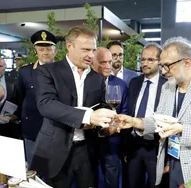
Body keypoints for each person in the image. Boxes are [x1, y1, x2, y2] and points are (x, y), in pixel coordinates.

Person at [116, 37, 191, 188]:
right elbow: (159, 120)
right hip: (172, 165)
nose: (163, 72)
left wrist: (183, 130)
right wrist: (135, 122)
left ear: (187, 62)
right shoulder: (168, 88)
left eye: (167, 66)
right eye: (162, 66)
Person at [30, 26, 116, 188]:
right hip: (56, 149)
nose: (91, 55)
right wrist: (88, 116)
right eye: (85, 50)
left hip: (87, 150)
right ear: (69, 46)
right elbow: (46, 105)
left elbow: (101, 105)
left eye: (93, 50)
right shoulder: (47, 71)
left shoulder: (97, 79)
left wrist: (108, 122)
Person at [126, 43, 167, 188]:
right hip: (134, 144)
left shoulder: (168, 85)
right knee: (132, 184)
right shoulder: (134, 83)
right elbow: (129, 112)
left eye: (150, 60)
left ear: (160, 62)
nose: (145, 63)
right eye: (142, 59)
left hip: (156, 145)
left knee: (156, 185)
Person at [17, 30, 57, 166]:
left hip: (57, 129)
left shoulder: (64, 72)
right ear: (36, 51)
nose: (45, 52)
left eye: (48, 49)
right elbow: (19, 97)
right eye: (41, 49)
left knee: (56, 171)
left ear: (55, 51)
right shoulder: (25, 72)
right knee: (34, 169)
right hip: (33, 128)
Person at [92, 47, 128, 188]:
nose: (108, 66)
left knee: (112, 181)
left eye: (109, 62)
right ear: (93, 63)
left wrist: (114, 127)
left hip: (112, 143)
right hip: (89, 142)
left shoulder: (121, 85)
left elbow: (126, 111)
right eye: (103, 62)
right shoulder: (86, 83)